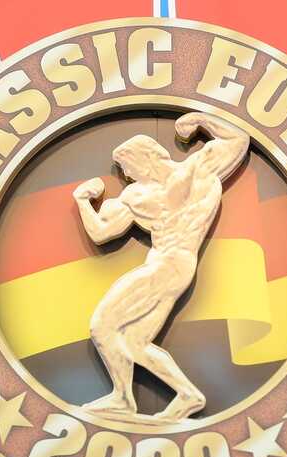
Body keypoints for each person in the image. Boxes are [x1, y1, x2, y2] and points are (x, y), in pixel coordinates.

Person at [72, 111, 250, 423]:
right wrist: (83, 202)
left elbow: (238, 139)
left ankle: (122, 398)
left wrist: (200, 119)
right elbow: (101, 232)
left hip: (168, 265)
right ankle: (187, 395)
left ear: (145, 159)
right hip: (173, 267)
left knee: (102, 325)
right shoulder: (135, 195)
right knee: (135, 342)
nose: (126, 175)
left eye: (127, 167)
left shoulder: (196, 170)